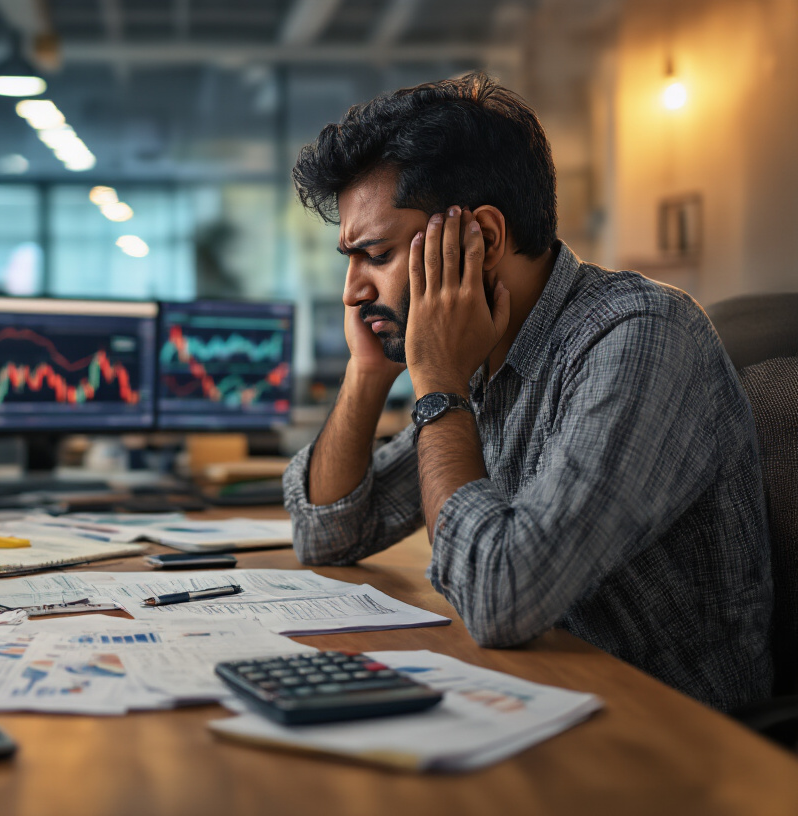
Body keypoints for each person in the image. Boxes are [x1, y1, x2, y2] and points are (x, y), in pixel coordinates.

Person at [284, 72, 772, 711]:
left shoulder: (640, 337)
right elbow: (328, 535)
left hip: (668, 735)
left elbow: (498, 596)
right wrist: (369, 373)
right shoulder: (489, 357)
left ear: (482, 239)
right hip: (543, 695)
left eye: (374, 255)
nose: (351, 291)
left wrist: (437, 386)